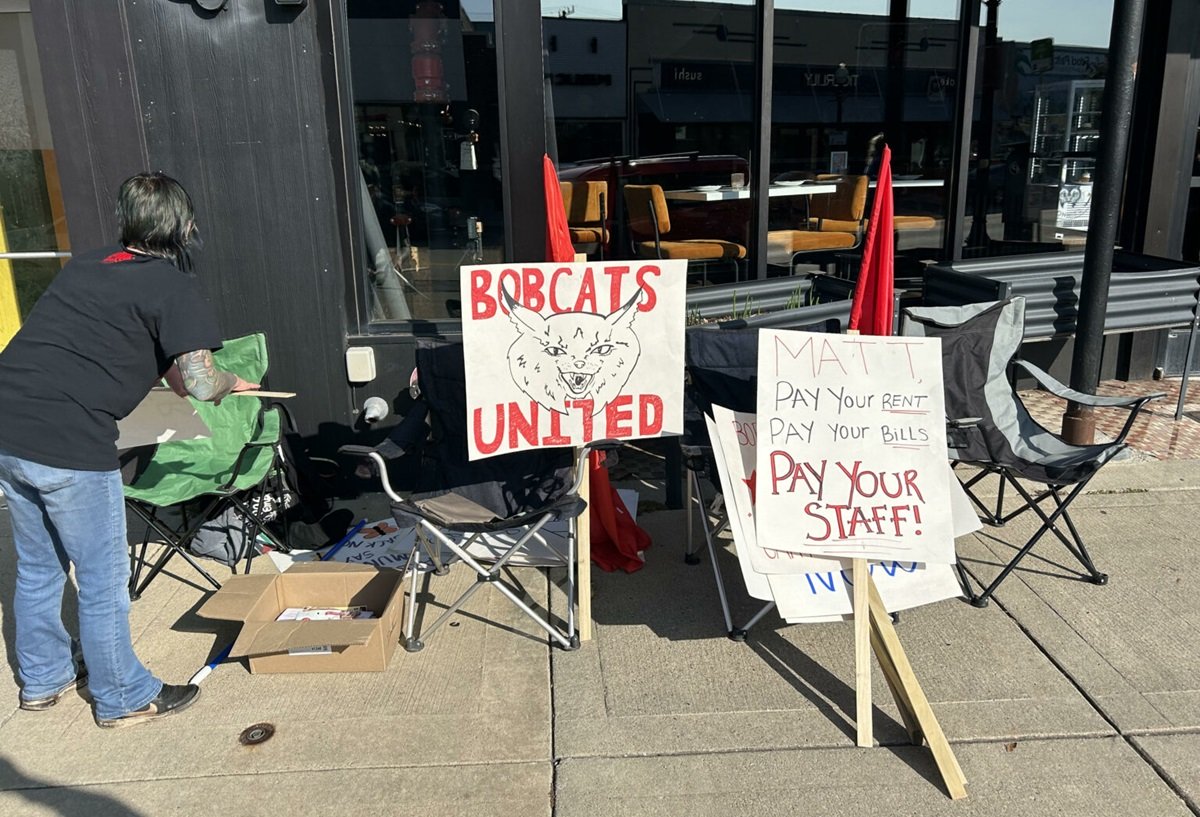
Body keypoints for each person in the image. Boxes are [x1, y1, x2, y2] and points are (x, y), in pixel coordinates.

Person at [0, 171, 257, 728]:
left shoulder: (88, 265)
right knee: (102, 579)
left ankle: (43, 680)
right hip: (69, 439)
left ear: (127, 220)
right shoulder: (172, 285)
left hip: (9, 425)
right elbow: (201, 382)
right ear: (184, 226)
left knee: (39, 567)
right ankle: (122, 696)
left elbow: (154, 365)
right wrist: (233, 381)